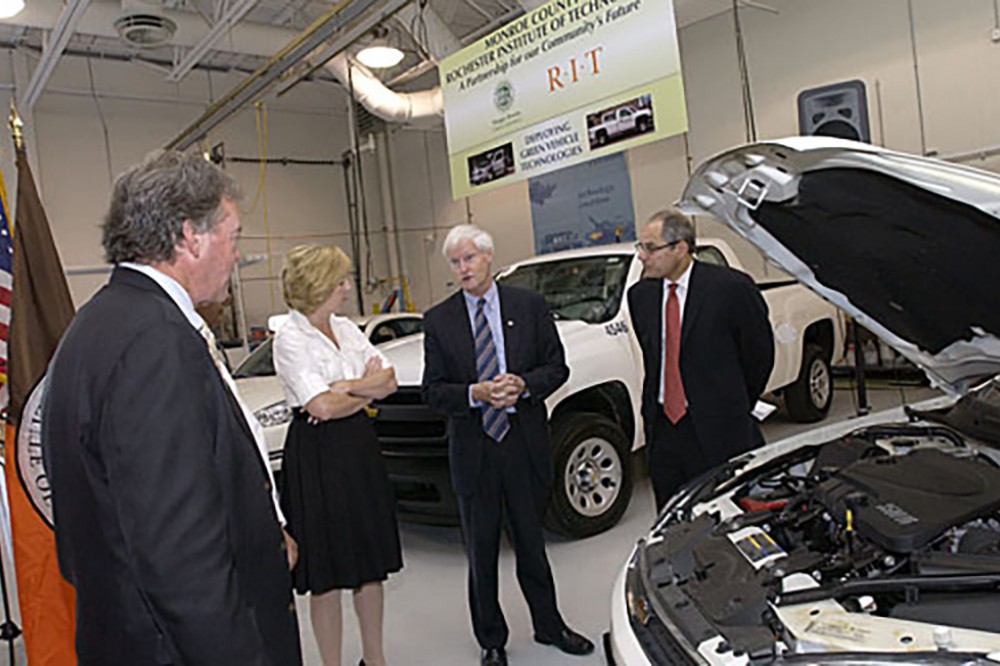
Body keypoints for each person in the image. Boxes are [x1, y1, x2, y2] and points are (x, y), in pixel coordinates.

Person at [42, 150, 302, 665]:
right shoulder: (157, 341)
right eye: (233, 236)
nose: (237, 256)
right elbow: (181, 557)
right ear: (190, 236)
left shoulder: (94, 325)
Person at [421, 224, 594, 666]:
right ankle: (492, 641)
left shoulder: (529, 306)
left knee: (531, 545)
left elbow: (557, 368)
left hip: (522, 443)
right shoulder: (438, 321)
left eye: (469, 258)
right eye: (455, 262)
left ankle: (549, 626)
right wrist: (473, 393)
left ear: (488, 256)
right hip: (474, 448)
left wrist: (525, 385)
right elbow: (433, 391)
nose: (463, 268)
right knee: (481, 553)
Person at [273, 244, 402, 666]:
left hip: (358, 449)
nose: (348, 288)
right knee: (325, 575)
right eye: (340, 281)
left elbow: (389, 380)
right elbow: (320, 407)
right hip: (317, 457)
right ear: (318, 284)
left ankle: (375, 659)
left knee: (369, 565)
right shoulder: (290, 337)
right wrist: (361, 390)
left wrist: (346, 388)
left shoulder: (346, 328)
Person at [628, 208, 775, 510]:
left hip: (719, 428)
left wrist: (734, 404)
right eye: (640, 246)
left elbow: (758, 355)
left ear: (680, 248)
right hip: (664, 429)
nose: (642, 256)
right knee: (671, 515)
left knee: (725, 511)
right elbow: (654, 357)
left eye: (650, 248)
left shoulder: (730, 289)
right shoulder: (640, 297)